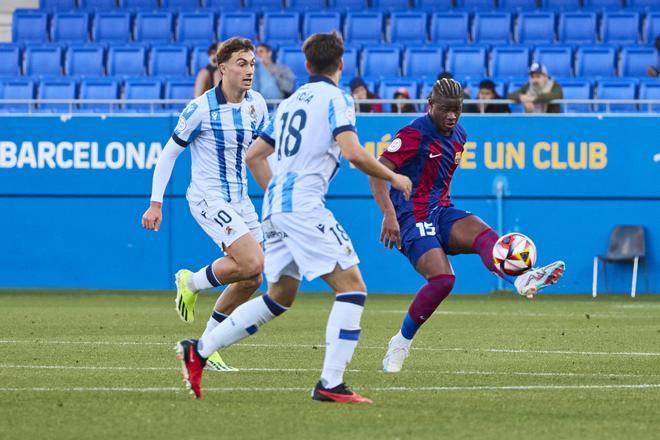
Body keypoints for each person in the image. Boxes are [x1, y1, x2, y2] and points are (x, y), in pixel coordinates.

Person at [175, 31, 413, 402]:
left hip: (274, 207)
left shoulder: (288, 103)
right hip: (302, 206)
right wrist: (393, 176)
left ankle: (200, 350)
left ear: (306, 65)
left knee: (280, 295)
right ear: (341, 64)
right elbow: (351, 152)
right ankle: (330, 384)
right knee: (352, 288)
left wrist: (277, 198)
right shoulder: (338, 98)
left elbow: (254, 156)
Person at [368, 78, 566, 373]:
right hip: (410, 216)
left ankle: (520, 279)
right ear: (430, 106)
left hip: (440, 211)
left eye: (457, 110)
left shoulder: (460, 134)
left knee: (483, 233)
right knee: (443, 280)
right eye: (445, 109)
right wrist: (389, 214)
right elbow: (378, 171)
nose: (451, 115)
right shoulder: (413, 133)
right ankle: (400, 343)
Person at [141, 38, 269, 372]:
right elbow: (169, 154)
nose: (249, 70)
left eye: (252, 63)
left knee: (253, 277)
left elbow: (263, 153)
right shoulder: (200, 109)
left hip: (241, 200)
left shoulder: (257, 104)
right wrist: (155, 204)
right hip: (207, 198)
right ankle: (191, 282)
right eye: (241, 63)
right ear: (222, 67)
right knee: (252, 259)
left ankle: (207, 345)